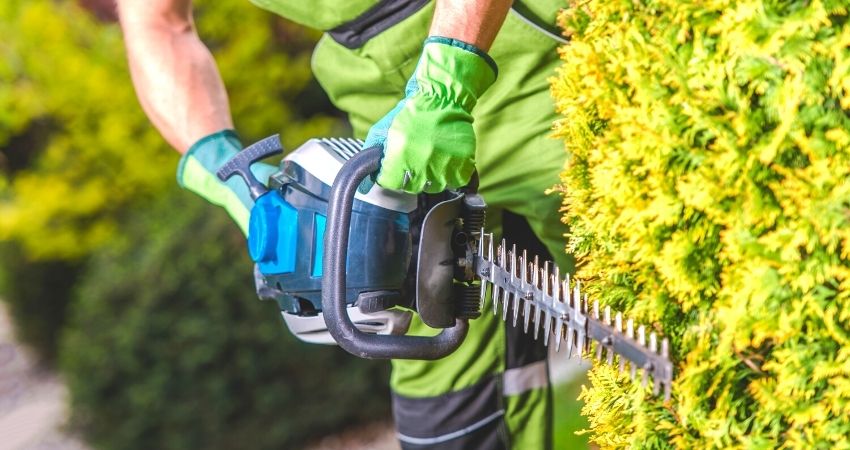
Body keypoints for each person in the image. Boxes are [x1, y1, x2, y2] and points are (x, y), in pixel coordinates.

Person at [116, 0, 575, 448]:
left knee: (631, 286)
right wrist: (220, 167)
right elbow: (154, 20)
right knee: (442, 416)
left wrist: (445, 83)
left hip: (530, 58)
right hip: (380, 112)